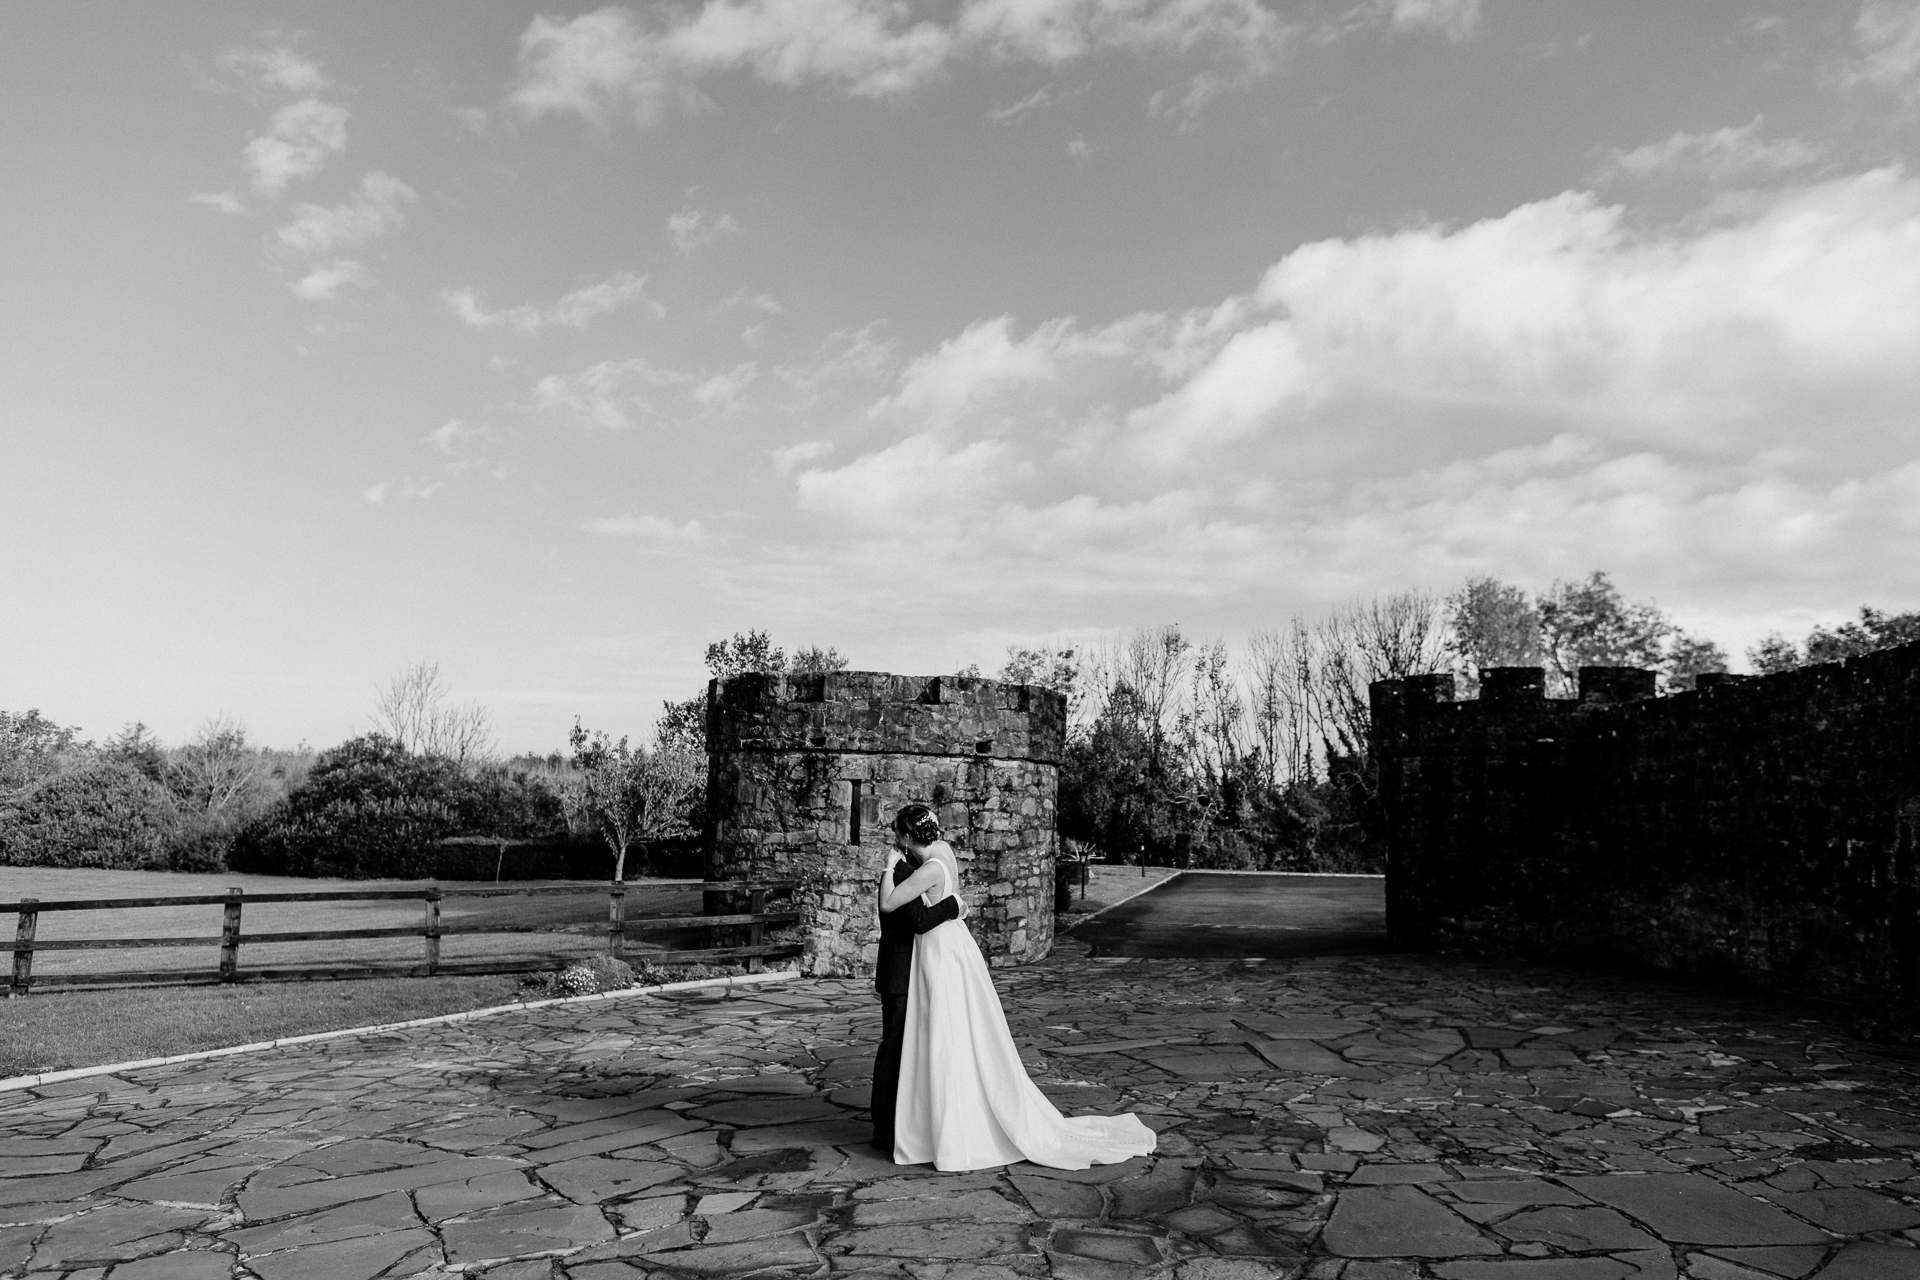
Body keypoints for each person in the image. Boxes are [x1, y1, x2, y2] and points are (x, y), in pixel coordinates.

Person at [881, 803, 1157, 1172]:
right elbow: (951, 900)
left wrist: (888, 866)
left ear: (908, 836)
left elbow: (888, 902)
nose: (896, 838)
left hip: (938, 952)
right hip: (955, 945)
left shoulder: (927, 869)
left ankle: (946, 1124)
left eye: (899, 833)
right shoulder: (945, 852)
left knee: (944, 1033)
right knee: (960, 1029)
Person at [870, 837, 961, 1155]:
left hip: (906, 972)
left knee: (904, 1052)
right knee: (894, 1051)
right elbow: (918, 921)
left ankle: (902, 1122)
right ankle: (884, 1128)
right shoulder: (902, 873)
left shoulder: (899, 870)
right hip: (900, 975)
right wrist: (953, 906)